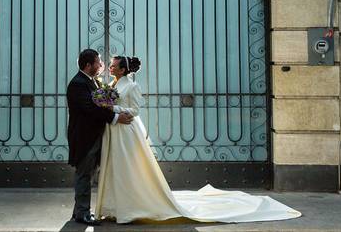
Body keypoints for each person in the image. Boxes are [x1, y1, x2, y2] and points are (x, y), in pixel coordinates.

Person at [95, 55, 303, 224]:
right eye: (110, 66)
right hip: (115, 130)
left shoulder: (131, 86)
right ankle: (114, 206)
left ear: (123, 70)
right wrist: (107, 106)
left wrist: (113, 108)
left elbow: (136, 109)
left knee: (127, 168)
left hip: (126, 131)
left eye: (113, 66)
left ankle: (130, 206)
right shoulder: (112, 84)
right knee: (115, 168)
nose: (110, 68)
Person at [66, 49, 133, 226]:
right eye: (98, 62)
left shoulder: (92, 81)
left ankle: (78, 211)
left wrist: (113, 108)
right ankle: (83, 214)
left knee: (87, 173)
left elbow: (101, 105)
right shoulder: (78, 84)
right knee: (84, 174)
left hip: (93, 136)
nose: (101, 64)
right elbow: (90, 109)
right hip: (84, 137)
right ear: (88, 65)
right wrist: (116, 118)